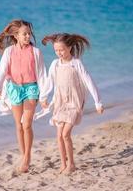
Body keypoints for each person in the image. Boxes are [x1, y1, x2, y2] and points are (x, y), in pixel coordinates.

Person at [39, 33, 104, 174]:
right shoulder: (55, 64)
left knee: (65, 134)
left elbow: (89, 81)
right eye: (56, 50)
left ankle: (72, 164)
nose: (59, 53)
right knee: (59, 135)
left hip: (74, 103)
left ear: (69, 47)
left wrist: (98, 102)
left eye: (61, 49)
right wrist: (43, 97)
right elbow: (49, 81)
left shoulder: (76, 63)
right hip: (60, 103)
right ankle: (63, 164)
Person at [0, 19, 48, 173]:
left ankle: (27, 158)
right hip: (14, 89)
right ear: (16, 35)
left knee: (27, 124)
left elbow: (42, 75)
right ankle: (23, 155)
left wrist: (43, 97)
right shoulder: (9, 52)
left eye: (29, 33)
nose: (28, 36)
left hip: (31, 88)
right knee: (18, 126)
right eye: (24, 34)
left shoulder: (36, 52)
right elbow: (1, 71)